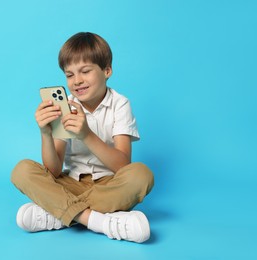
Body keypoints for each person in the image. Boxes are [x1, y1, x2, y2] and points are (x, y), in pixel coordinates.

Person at [11, 32, 154, 243]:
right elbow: (54, 170)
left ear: (107, 71)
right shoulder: (65, 107)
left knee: (141, 175)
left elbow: (123, 166)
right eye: (69, 75)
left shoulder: (120, 104)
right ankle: (99, 221)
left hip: (109, 185)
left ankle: (59, 213)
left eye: (85, 71)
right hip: (72, 182)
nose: (77, 81)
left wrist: (86, 134)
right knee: (22, 170)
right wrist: (45, 133)